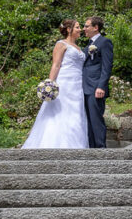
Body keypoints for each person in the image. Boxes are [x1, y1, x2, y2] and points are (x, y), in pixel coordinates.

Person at [22, 19, 88, 149]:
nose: (80, 30)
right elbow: (56, 64)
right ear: (69, 30)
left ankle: (76, 146)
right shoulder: (61, 44)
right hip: (64, 82)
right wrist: (50, 84)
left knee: (76, 113)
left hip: (77, 84)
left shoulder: (79, 48)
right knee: (60, 112)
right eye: (77, 27)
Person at [81, 16, 114, 148]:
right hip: (84, 87)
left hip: (96, 88)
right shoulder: (88, 45)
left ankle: (101, 148)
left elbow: (107, 66)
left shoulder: (105, 42)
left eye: (87, 26)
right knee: (88, 119)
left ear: (96, 28)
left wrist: (101, 86)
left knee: (96, 119)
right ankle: (92, 148)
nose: (84, 29)